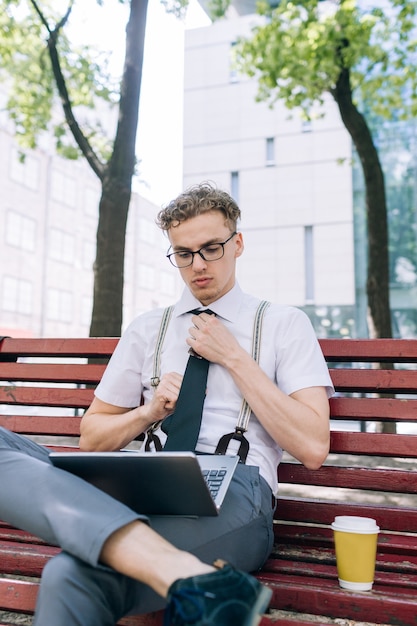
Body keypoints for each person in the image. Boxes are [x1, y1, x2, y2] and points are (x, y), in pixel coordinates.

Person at [0, 182, 334, 626]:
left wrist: (234, 357)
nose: (198, 265)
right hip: (141, 482)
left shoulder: (283, 324)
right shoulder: (147, 329)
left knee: (70, 572)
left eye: (211, 248)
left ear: (237, 244)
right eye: (183, 253)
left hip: (234, 492)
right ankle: (183, 573)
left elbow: (313, 446)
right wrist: (147, 412)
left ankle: (169, 568)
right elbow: (92, 437)